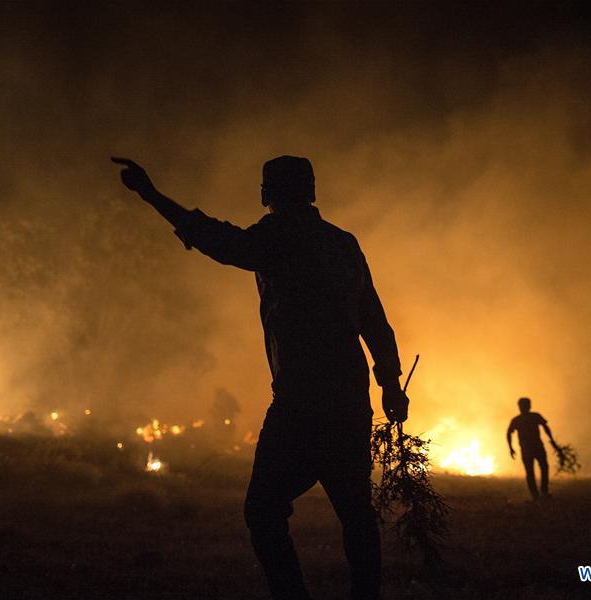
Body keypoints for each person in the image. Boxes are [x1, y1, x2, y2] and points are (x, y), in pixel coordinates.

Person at [113, 155, 407, 600]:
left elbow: (216, 239)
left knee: (263, 511)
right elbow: (374, 320)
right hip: (348, 398)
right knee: (355, 513)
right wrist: (389, 382)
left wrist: (152, 195)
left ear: (268, 193)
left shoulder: (276, 238)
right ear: (311, 191)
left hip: (299, 403)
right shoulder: (342, 243)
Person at [506, 397, 558, 501]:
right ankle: (540, 493)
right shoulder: (532, 417)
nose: (524, 407)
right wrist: (511, 448)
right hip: (532, 447)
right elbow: (545, 427)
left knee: (537, 469)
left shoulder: (520, 419)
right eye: (523, 406)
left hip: (531, 448)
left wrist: (511, 448)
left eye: (524, 405)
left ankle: (540, 493)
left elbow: (508, 433)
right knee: (539, 469)